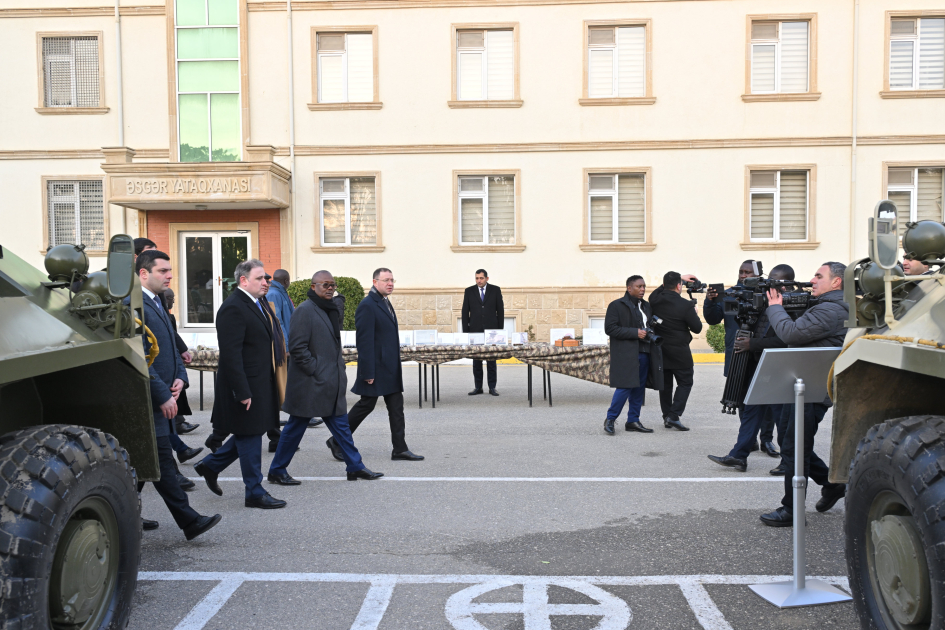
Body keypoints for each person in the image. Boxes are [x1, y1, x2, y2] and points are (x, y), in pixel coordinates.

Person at [133, 250, 221, 540]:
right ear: (144, 273)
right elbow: (139, 357)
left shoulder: (157, 301)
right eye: (163, 271)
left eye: (170, 270)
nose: (170, 275)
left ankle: (126, 515)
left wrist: (181, 379)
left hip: (164, 392)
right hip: (147, 399)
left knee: (142, 465)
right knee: (160, 463)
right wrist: (161, 394)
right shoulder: (133, 305)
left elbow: (170, 345)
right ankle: (189, 520)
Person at [759, 262, 849, 527]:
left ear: (836, 283)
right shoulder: (827, 306)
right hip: (805, 386)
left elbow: (790, 333)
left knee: (795, 447)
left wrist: (775, 308)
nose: (812, 280)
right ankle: (832, 484)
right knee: (793, 443)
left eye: (819, 276)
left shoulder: (830, 310)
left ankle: (792, 509)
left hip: (810, 389)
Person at [272, 270, 384, 483]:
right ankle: (277, 470)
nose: (330, 288)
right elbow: (297, 348)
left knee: (342, 428)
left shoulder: (329, 309)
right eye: (325, 284)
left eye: (332, 284)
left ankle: (355, 466)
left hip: (330, 383)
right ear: (313, 287)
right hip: (310, 384)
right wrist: (316, 370)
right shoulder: (305, 310)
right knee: (294, 430)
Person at [193, 259, 287, 509]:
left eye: (266, 278)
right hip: (245, 385)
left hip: (259, 382)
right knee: (250, 435)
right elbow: (231, 354)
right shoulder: (233, 307)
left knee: (251, 432)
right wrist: (242, 391)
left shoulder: (257, 304)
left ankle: (210, 466)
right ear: (243, 280)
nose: (266, 282)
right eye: (260, 278)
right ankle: (254, 491)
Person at [707, 264, 794, 473]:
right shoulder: (763, 298)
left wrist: (752, 344)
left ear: (784, 283)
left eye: (773, 280)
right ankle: (739, 455)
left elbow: (787, 339)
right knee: (751, 411)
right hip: (757, 366)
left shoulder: (793, 303)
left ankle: (789, 461)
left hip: (778, 369)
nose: (767, 283)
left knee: (781, 417)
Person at [333, 268, 424, 462]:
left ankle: (399, 449)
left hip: (389, 368)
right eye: (386, 280)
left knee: (396, 408)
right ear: (375, 282)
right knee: (366, 405)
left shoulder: (384, 301)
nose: (390, 283)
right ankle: (336, 440)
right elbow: (364, 341)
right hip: (375, 368)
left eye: (392, 280)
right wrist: (367, 372)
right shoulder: (368, 305)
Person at [704, 260, 763, 453]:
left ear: (758, 274)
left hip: (760, 352)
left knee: (765, 400)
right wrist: (710, 301)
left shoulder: (766, 293)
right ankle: (749, 439)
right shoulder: (729, 294)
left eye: (748, 272)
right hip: (736, 353)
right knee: (741, 399)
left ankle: (767, 439)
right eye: (741, 271)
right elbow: (713, 319)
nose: (743, 275)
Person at [603, 275, 664, 435]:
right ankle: (610, 419)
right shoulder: (616, 305)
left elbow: (648, 325)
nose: (643, 289)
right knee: (625, 386)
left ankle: (633, 421)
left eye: (644, 286)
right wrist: (635, 332)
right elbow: (610, 329)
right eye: (639, 286)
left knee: (639, 388)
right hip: (626, 353)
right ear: (629, 288)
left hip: (645, 352)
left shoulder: (646, 306)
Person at [648, 271, 703, 431]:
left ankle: (667, 416)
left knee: (665, 385)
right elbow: (697, 328)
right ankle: (674, 415)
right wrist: (695, 314)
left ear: (664, 285)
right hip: (680, 352)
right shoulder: (686, 305)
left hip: (660, 350)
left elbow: (659, 290)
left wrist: (679, 280)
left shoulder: (655, 300)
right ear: (679, 286)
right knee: (685, 382)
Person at [461, 269, 505, 396]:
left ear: (487, 278)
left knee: (491, 359)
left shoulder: (495, 290)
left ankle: (492, 387)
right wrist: (466, 332)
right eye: (477, 278)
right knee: (477, 360)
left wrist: (499, 331)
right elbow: (465, 312)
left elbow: (500, 312)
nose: (479, 281)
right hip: (475, 331)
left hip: (492, 331)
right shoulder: (469, 291)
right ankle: (478, 387)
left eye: (481, 278)